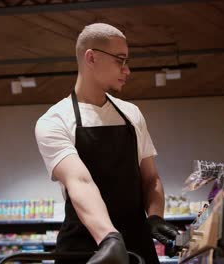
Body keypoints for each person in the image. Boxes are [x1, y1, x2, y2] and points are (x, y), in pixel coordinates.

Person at [35, 23, 178, 264]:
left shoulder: (132, 114)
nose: (127, 70)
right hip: (84, 247)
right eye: (120, 60)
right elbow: (80, 181)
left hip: (137, 245)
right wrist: (109, 238)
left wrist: (154, 216)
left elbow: (151, 178)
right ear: (91, 58)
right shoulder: (54, 120)